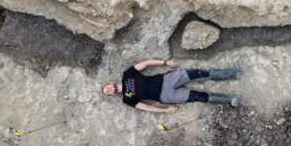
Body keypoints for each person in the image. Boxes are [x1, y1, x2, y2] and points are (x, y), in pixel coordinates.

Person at [101, 59, 239, 113]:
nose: (108, 89)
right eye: (107, 92)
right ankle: (230, 100)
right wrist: (166, 110)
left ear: (109, 83)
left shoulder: (127, 74)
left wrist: (166, 62)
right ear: (112, 94)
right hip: (166, 96)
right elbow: (147, 107)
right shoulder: (127, 99)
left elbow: (147, 63)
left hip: (167, 80)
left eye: (106, 87)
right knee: (198, 96)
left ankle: (232, 73)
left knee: (198, 73)